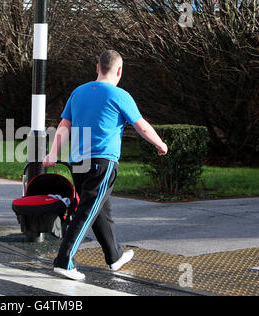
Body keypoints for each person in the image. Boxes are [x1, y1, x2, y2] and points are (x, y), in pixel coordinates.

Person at [43, 50, 168, 281]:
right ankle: (64, 261)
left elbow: (64, 125)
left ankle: (114, 256)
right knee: (88, 211)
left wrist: (52, 153)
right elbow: (141, 126)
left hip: (77, 163)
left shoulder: (78, 92)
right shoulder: (120, 95)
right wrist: (160, 144)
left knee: (100, 210)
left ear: (97, 67)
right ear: (119, 70)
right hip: (102, 162)